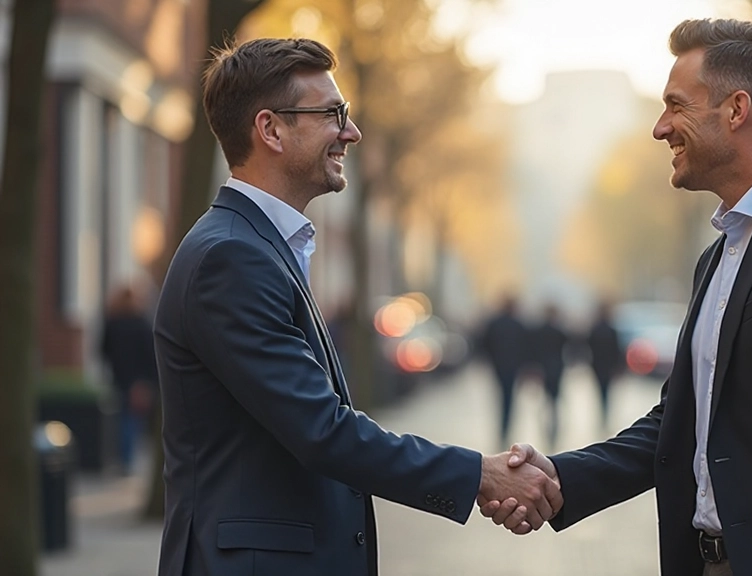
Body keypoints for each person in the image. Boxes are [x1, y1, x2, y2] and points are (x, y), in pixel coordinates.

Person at [482, 18, 752, 576]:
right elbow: (679, 422)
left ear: (736, 110)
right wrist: (561, 478)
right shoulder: (716, 257)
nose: (661, 129)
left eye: (676, 106)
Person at [153, 38, 560, 576]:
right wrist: (479, 475)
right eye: (332, 114)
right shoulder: (231, 257)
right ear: (270, 129)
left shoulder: (256, 246)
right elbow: (323, 431)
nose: (352, 131)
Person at [100, 283, 158, 475]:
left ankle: (121, 458)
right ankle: (126, 460)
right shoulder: (141, 323)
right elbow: (151, 354)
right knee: (132, 421)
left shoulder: (112, 322)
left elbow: (103, 350)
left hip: (119, 378)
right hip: (138, 382)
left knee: (121, 419)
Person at [480, 296, 528, 448]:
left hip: (499, 366)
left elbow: (485, 344)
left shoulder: (494, 324)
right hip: (512, 367)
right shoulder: (519, 324)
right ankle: (506, 428)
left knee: (502, 397)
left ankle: (503, 429)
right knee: (509, 398)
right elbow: (525, 348)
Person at [532, 304, 569, 449]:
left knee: (547, 396)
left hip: (544, 367)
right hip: (557, 367)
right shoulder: (559, 330)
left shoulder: (539, 331)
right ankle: (554, 420)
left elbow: (535, 350)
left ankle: (547, 418)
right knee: (555, 397)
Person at [586, 300, 624, 431]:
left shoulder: (595, 329)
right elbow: (617, 349)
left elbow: (589, 347)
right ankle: (605, 415)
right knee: (606, 392)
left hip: (598, 365)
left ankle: (602, 414)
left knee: (600, 391)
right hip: (608, 366)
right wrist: (618, 366)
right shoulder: (611, 330)